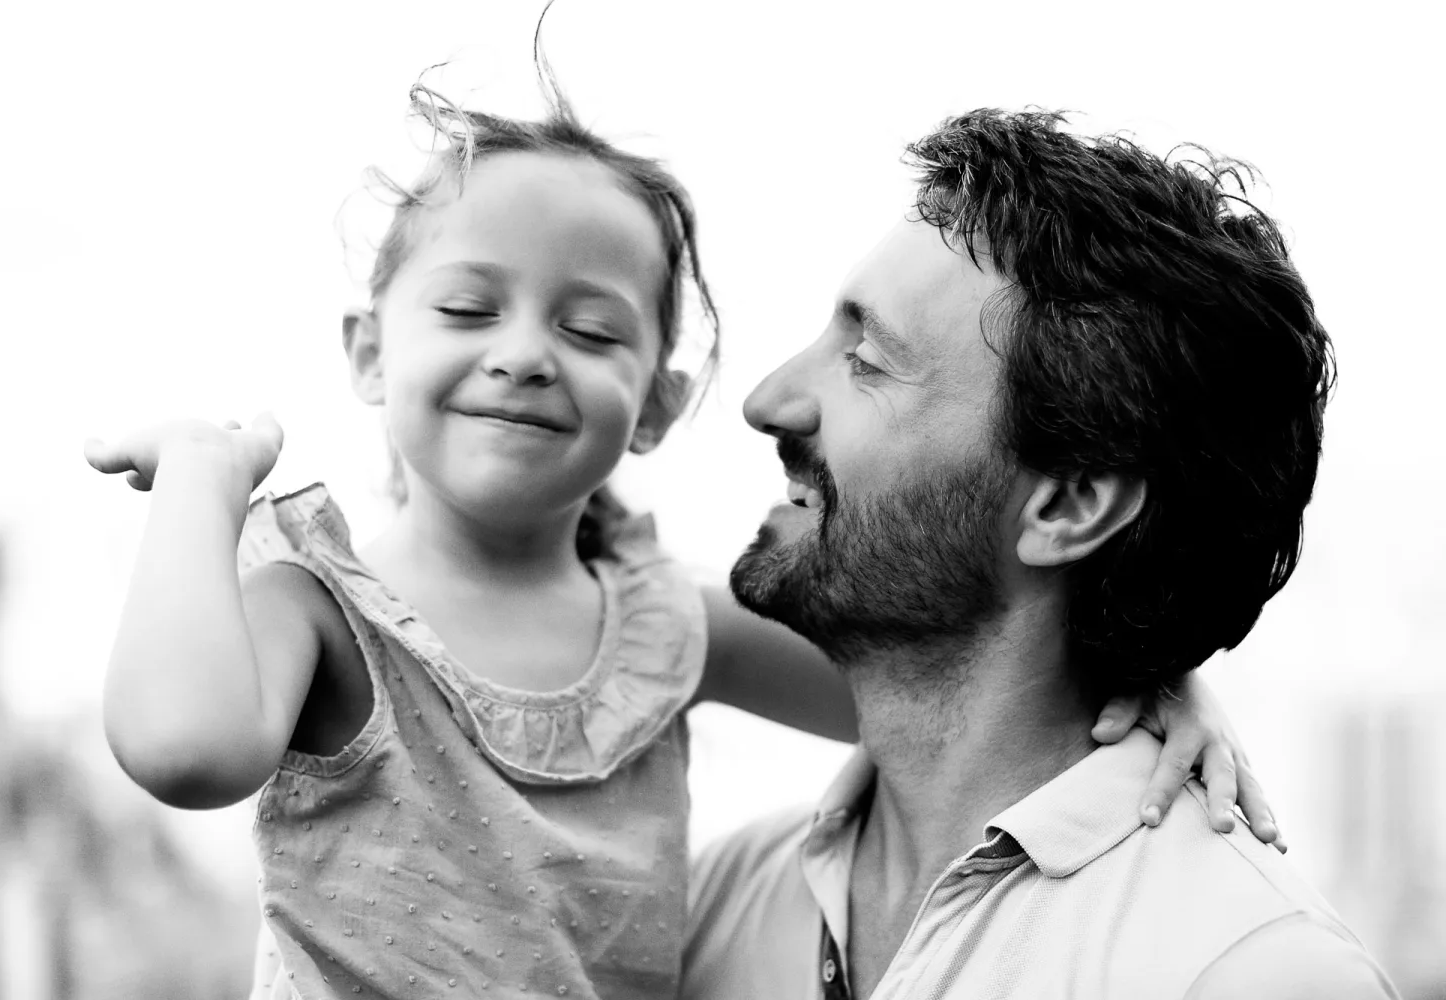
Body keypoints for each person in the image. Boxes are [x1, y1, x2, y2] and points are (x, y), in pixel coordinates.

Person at [85, 74, 1276, 1000]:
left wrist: (1147, 686)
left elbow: (940, 692)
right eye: (466, 306)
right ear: (365, 350)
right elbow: (184, 748)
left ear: (655, 403)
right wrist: (203, 484)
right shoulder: (318, 605)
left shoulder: (663, 625)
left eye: (590, 327)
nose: (522, 351)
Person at [680, 109, 1398, 1000]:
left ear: (1065, 506)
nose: (768, 400)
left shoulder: (1247, 973)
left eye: (866, 359)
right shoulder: (718, 906)